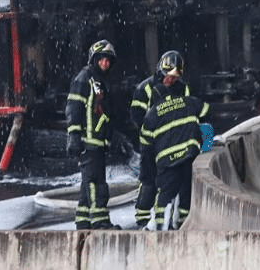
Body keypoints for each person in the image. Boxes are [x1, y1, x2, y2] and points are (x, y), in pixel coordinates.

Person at [140, 72, 210, 230]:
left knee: (165, 195)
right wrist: (207, 142)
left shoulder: (152, 113)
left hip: (167, 161)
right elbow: (206, 111)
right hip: (188, 156)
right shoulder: (188, 102)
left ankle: (160, 228)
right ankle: (182, 224)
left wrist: (148, 174)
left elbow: (146, 145)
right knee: (186, 192)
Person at [130, 50, 191, 228]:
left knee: (176, 183)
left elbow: (190, 114)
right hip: (151, 145)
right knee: (149, 181)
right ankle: (143, 219)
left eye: (174, 77)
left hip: (174, 144)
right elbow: (136, 117)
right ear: (160, 71)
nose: (170, 81)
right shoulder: (144, 88)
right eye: (167, 76)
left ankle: (175, 221)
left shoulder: (182, 88)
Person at [65, 39, 121, 230]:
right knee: (95, 182)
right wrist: (74, 135)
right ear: (94, 59)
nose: (105, 63)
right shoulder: (84, 78)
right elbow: (74, 106)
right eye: (102, 59)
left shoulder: (102, 83)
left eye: (108, 60)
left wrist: (110, 138)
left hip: (98, 142)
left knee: (89, 182)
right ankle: (100, 221)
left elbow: (106, 113)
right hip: (87, 142)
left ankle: (83, 220)